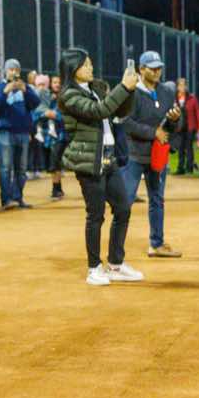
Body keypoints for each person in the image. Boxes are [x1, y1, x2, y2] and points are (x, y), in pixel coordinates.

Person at [58, 48, 143, 285]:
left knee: (123, 208)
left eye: (90, 63)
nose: (91, 68)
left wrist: (130, 90)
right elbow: (98, 111)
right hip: (87, 161)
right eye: (85, 65)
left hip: (107, 157)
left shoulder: (96, 88)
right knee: (95, 215)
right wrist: (123, 87)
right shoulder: (69, 95)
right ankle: (94, 268)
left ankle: (115, 264)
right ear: (73, 69)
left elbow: (119, 112)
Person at [121, 50, 183, 259]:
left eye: (159, 68)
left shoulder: (166, 91)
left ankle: (156, 244)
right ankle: (116, 247)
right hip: (134, 155)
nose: (157, 72)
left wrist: (175, 119)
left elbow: (175, 126)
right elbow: (126, 123)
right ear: (141, 69)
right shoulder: (131, 92)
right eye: (152, 68)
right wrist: (153, 132)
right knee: (125, 200)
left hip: (157, 155)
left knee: (157, 199)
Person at [0, 58, 40, 209]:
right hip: (5, 132)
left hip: (23, 131)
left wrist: (25, 91)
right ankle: (6, 200)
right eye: (11, 69)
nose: (14, 72)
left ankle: (18, 197)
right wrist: (5, 91)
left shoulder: (25, 87)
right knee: (5, 168)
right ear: (6, 71)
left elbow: (35, 103)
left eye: (16, 70)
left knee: (21, 169)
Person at [31, 75, 68, 200]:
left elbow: (68, 117)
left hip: (60, 136)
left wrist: (56, 116)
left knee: (54, 162)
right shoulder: (45, 97)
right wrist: (44, 114)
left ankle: (56, 190)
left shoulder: (65, 98)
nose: (57, 84)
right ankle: (58, 188)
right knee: (50, 164)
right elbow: (35, 114)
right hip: (46, 136)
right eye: (54, 82)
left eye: (59, 82)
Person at [174, 77, 199, 175]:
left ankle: (189, 168)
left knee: (189, 147)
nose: (182, 87)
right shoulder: (174, 99)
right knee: (180, 148)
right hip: (179, 128)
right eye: (180, 85)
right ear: (177, 87)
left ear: (186, 87)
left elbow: (198, 113)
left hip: (190, 127)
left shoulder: (192, 98)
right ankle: (180, 168)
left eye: (184, 85)